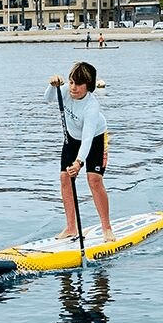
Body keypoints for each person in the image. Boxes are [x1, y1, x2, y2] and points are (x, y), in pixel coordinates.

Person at [45, 61, 114, 241]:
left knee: (94, 180)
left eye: (78, 84)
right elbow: (49, 98)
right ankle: (71, 227)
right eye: (71, 82)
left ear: (88, 86)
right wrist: (52, 86)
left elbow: (88, 137)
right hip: (72, 137)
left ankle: (107, 228)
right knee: (64, 178)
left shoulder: (91, 106)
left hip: (95, 138)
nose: (73, 87)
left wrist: (78, 162)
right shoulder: (66, 90)